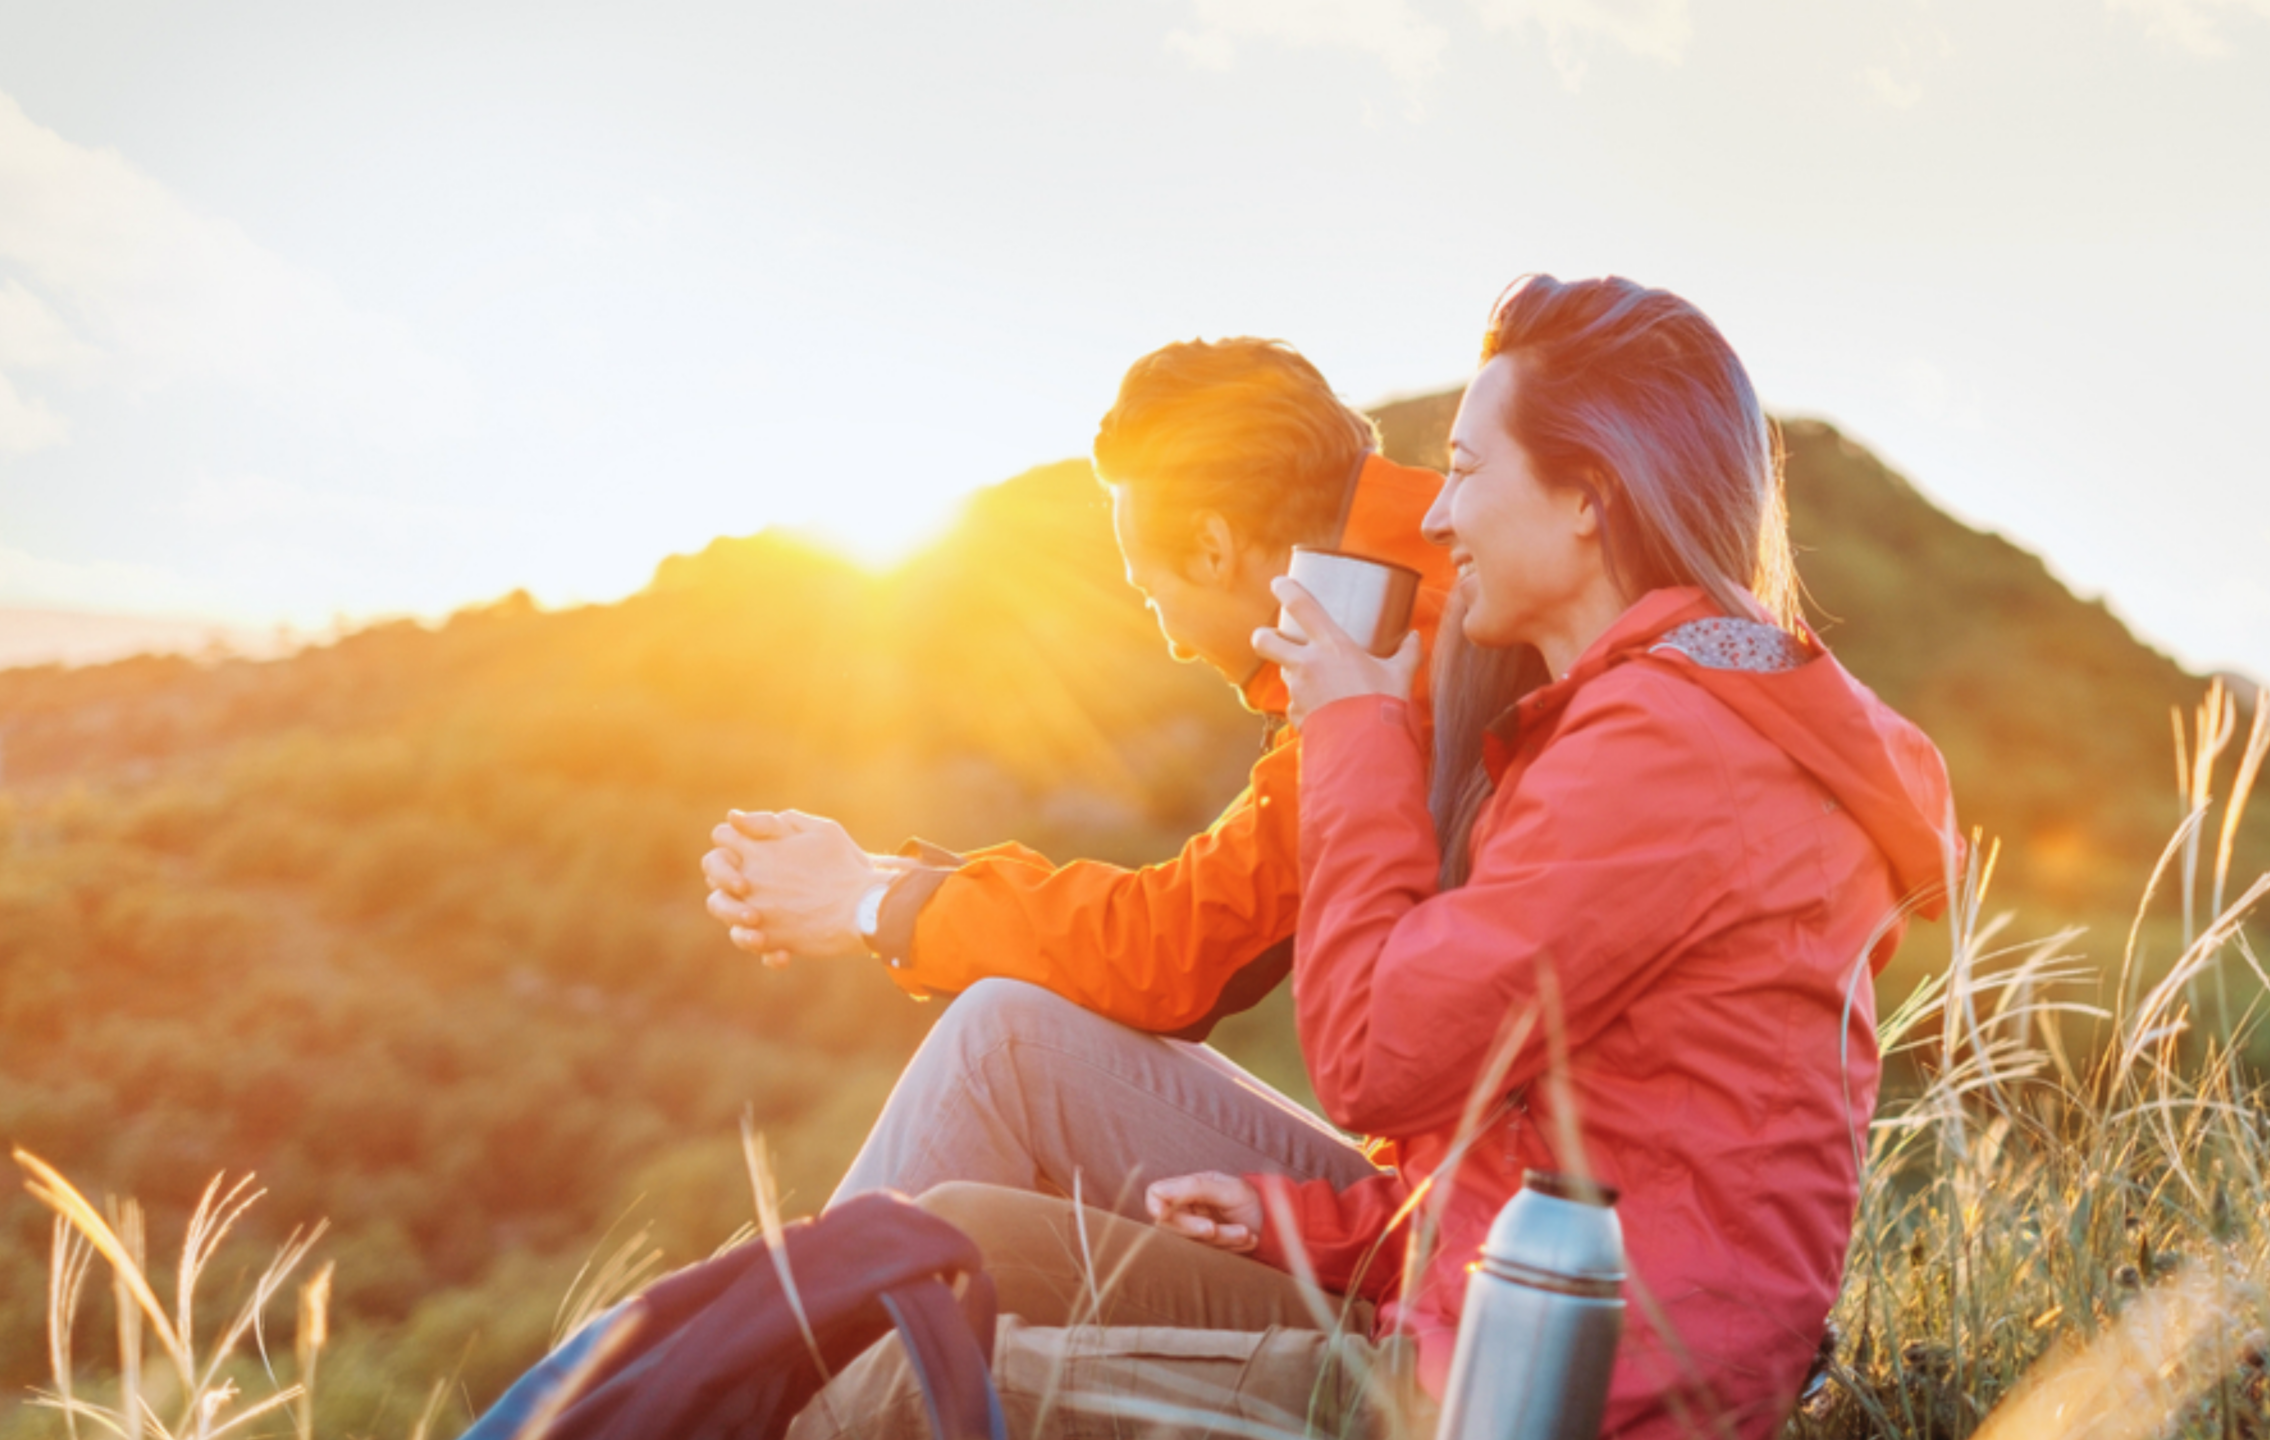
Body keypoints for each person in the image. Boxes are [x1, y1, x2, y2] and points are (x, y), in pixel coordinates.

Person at [796, 275, 1960, 1440]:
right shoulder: (1643, 717)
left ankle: (698, 1393)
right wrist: (1280, 1220)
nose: (1437, 517)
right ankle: (698, 1378)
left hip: (1544, 1395)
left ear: (1586, 499)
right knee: (952, 1239)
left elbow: (1370, 1058)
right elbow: (1535, 1137)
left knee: (892, 1392)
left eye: (1462, 471)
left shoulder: (1661, 748)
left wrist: (1352, 721)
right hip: (1481, 1307)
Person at [701, 337, 1455, 1217]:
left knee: (1003, 1044)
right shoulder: (1428, 587)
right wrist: (883, 881)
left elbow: (1173, 950)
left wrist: (872, 908)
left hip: (1445, 1226)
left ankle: (777, 1342)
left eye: (1149, 590)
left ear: (1213, 549)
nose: (1170, 636)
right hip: (1446, 1191)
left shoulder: (1407, 652)